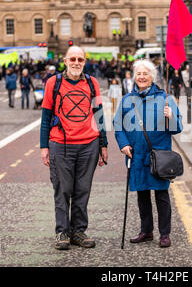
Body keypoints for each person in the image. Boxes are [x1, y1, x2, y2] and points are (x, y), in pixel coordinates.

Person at [40, 45, 108, 250]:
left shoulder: (92, 83)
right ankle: (62, 232)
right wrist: (44, 147)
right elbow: (45, 118)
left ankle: (78, 231)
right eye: (73, 59)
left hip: (89, 144)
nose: (76, 63)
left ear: (85, 62)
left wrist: (103, 144)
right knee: (62, 189)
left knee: (82, 190)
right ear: (65, 61)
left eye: (80, 59)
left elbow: (99, 115)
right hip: (61, 145)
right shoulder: (54, 82)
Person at [113, 59, 183, 248]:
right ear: (134, 77)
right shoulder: (127, 100)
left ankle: (165, 234)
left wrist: (171, 117)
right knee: (142, 195)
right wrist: (124, 144)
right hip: (136, 155)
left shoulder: (165, 98)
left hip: (159, 156)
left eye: (146, 74)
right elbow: (118, 125)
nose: (142, 77)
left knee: (161, 195)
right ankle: (146, 231)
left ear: (152, 76)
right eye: (139, 74)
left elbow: (177, 129)